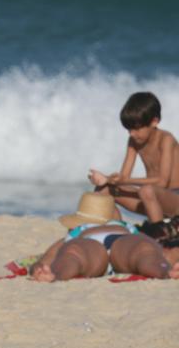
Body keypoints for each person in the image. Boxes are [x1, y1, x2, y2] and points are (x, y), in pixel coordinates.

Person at [30, 193, 179, 282]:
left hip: (90, 242)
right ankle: (164, 272)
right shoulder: (123, 225)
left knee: (73, 253)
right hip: (121, 237)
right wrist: (165, 261)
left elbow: (47, 259)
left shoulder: (77, 232)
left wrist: (38, 267)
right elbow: (159, 249)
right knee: (144, 250)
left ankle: (55, 275)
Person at [88, 92, 179, 229]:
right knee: (104, 190)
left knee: (146, 190)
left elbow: (162, 181)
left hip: (174, 199)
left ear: (154, 122)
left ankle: (160, 235)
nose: (131, 133)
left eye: (136, 128)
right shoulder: (134, 140)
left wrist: (125, 180)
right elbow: (123, 177)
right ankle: (117, 231)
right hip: (152, 200)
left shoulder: (166, 139)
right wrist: (107, 179)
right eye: (129, 129)